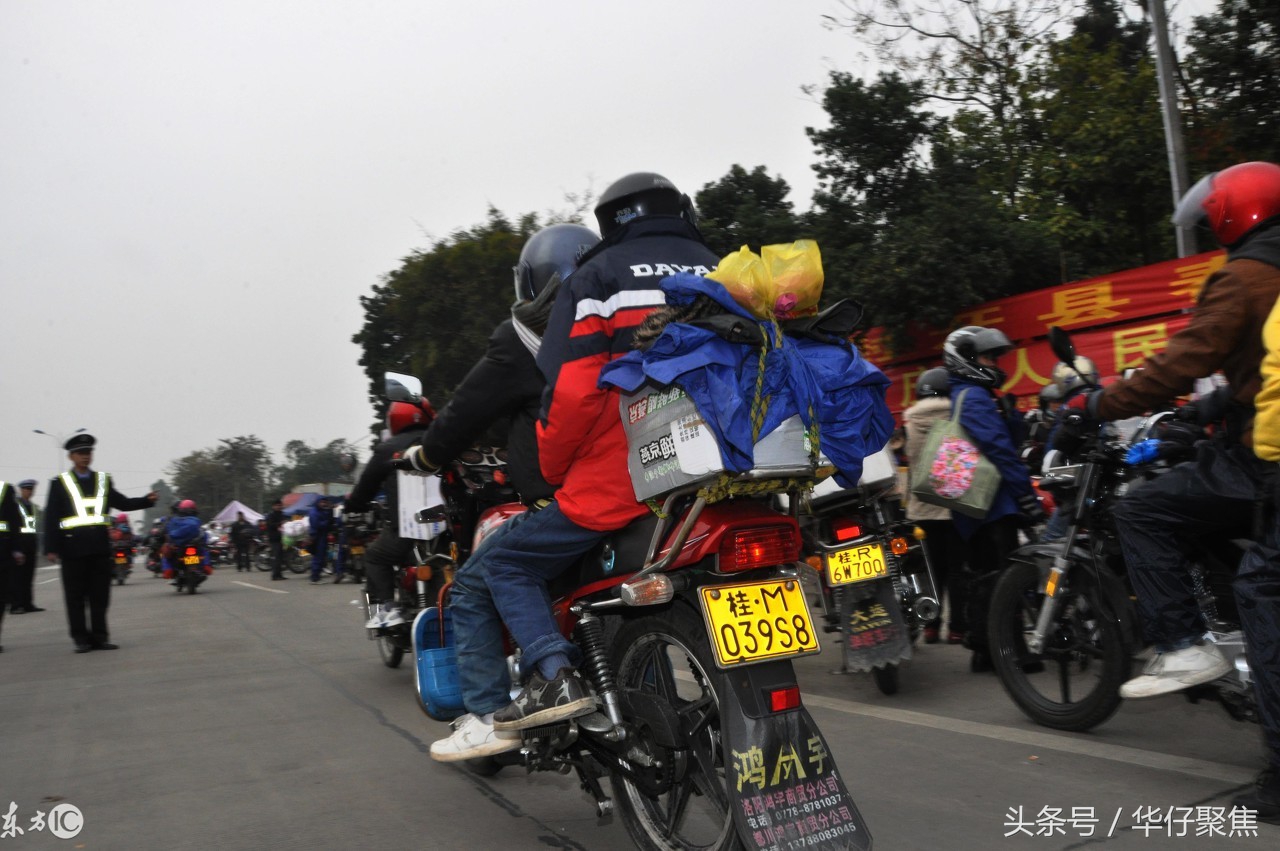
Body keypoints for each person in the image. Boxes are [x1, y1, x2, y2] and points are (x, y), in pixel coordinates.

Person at [488, 172, 716, 732]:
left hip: (631, 478)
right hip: (728, 470)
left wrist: (551, 468)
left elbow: (573, 395)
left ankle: (553, 675)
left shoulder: (600, 279)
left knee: (505, 561)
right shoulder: (723, 267)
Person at [1062, 162, 1280, 711]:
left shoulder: (1245, 276)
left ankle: (1183, 646)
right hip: (1251, 434)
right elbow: (1263, 368)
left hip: (1265, 456)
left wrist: (1100, 403)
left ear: (1234, 214)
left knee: (1141, 512)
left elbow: (1180, 362)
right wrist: (1208, 408)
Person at [398, 222, 599, 761]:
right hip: (641, 490)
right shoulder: (615, 323)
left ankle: (489, 715)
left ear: (533, 282)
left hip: (571, 500)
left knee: (473, 584)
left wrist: (428, 454)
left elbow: (466, 410)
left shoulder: (524, 338)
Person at [941, 326, 1045, 671]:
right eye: (987, 357)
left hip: (979, 505)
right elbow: (1000, 451)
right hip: (991, 504)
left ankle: (984, 649)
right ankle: (1014, 651)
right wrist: (1026, 494)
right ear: (965, 360)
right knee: (1006, 579)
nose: (994, 364)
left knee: (986, 577)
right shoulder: (972, 397)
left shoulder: (974, 395)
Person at [43, 434, 157, 652]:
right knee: (75, 597)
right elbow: (51, 517)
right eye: (80, 453)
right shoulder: (59, 483)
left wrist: (146, 500)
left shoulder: (103, 480)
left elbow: (121, 502)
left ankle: (100, 637)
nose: (85, 457)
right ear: (71, 456)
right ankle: (81, 639)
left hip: (99, 548)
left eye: (88, 453)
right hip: (72, 549)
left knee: (100, 596)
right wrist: (50, 547)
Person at [344, 395, 434, 627]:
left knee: (374, 556)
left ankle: (388, 608)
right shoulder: (442, 440)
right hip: (449, 529)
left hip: (407, 530)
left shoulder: (388, 449)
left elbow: (365, 488)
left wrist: (353, 504)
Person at [903, 367, 968, 644]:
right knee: (956, 568)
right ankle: (956, 628)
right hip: (953, 507)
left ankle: (930, 625)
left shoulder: (909, 422)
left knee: (930, 569)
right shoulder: (958, 416)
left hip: (922, 508)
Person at [9, 480, 42, 614]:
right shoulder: (14, 505)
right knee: (17, 577)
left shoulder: (33, 506)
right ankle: (15, 605)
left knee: (29, 576)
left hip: (31, 543)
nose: (29, 491)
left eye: (31, 489)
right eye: (27, 489)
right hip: (19, 543)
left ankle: (28, 604)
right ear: (21, 490)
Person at [0, 481, 26, 651]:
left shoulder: (5, 490)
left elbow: (14, 521)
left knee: (1, 597)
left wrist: (17, 549)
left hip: (2, 552)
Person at [307, 497, 334, 584]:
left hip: (323, 535)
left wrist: (331, 511)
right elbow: (317, 524)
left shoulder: (322, 511)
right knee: (318, 557)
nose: (324, 504)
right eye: (322, 502)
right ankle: (314, 578)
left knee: (321, 557)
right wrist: (326, 522)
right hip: (317, 536)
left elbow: (329, 519)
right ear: (317, 502)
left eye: (325, 502)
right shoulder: (314, 512)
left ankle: (317, 576)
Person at [265, 498, 287, 580]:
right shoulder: (271, 515)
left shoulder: (282, 514)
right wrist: (279, 524)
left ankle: (280, 574)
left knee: (281, 557)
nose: (279, 507)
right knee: (276, 557)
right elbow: (270, 525)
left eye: (280, 505)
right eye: (277, 505)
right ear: (273, 506)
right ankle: (274, 575)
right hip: (274, 539)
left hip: (282, 538)